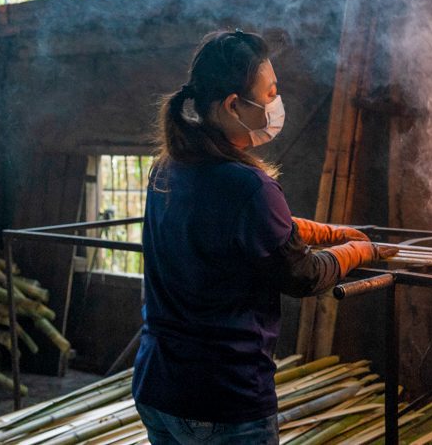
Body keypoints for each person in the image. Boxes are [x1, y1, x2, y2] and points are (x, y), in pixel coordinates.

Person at [131, 29, 396, 444]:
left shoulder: (167, 169)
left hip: (157, 387)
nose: (276, 104)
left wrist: (330, 231)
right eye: (270, 94)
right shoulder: (248, 187)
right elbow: (303, 274)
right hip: (222, 399)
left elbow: (248, 231)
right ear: (234, 105)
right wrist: (359, 251)